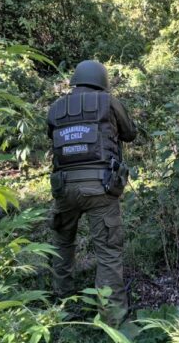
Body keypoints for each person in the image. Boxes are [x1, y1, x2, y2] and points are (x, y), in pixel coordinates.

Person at [47, 60, 136, 323]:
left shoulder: (55, 108)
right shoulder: (108, 101)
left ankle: (62, 303)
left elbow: (51, 136)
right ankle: (112, 319)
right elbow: (130, 133)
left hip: (63, 188)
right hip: (100, 189)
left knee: (63, 243)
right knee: (108, 253)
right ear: (101, 80)